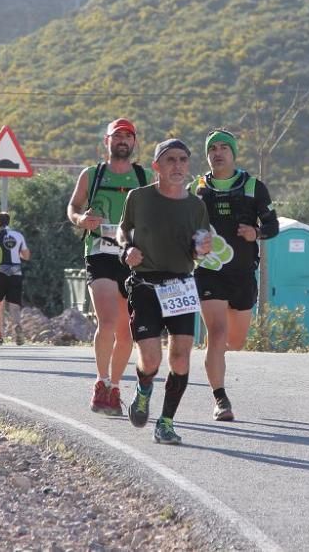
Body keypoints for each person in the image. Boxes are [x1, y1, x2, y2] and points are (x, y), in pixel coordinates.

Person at [119, 138, 211, 445]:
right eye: (170, 160)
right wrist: (127, 249)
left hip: (181, 283)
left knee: (182, 358)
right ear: (156, 166)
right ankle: (144, 389)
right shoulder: (138, 198)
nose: (178, 165)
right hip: (145, 283)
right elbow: (123, 230)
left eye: (183, 160)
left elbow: (199, 245)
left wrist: (202, 248)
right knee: (151, 359)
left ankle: (166, 422)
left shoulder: (197, 206)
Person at [190, 129, 278, 421]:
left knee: (235, 341)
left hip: (242, 275)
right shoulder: (197, 188)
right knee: (216, 334)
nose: (217, 152)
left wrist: (256, 232)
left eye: (223, 148)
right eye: (212, 148)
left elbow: (272, 226)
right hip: (208, 271)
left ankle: (217, 356)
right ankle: (220, 398)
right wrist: (192, 244)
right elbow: (182, 228)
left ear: (233, 153)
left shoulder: (253, 187)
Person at [67, 117, 153, 415]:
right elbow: (73, 207)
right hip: (100, 254)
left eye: (128, 137)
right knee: (107, 321)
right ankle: (101, 382)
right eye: (117, 136)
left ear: (134, 143)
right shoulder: (92, 175)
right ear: (107, 141)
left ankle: (114, 388)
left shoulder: (144, 177)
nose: (123, 141)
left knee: (126, 333)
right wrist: (81, 220)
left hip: (131, 257)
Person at [0, 212, 31, 345]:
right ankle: (17, 326)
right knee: (14, 305)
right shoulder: (18, 236)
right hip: (16, 272)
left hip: (1, 273)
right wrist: (17, 253)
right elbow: (26, 255)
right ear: (9, 221)